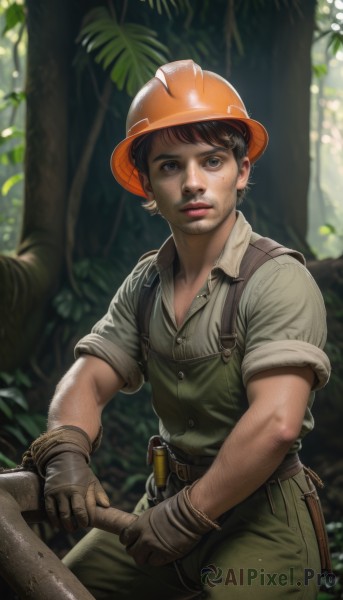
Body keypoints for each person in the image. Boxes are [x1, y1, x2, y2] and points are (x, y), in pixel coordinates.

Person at [26, 60, 331, 599]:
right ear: (145, 181)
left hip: (262, 522)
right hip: (165, 499)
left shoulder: (279, 279)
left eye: (212, 161)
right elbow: (88, 378)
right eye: (170, 166)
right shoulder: (147, 282)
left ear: (241, 171)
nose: (192, 183)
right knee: (61, 589)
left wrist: (188, 516)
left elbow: (278, 421)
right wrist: (67, 449)